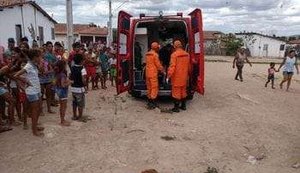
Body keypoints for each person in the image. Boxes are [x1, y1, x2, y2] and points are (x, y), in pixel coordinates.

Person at [14, 49, 44, 136]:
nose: (41, 58)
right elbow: (16, 75)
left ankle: (35, 126)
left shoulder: (33, 65)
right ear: (35, 57)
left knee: (38, 109)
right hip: (32, 91)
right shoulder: (28, 66)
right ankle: (34, 131)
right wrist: (26, 81)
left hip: (36, 90)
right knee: (35, 111)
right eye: (40, 56)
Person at [167, 40, 190, 112]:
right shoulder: (187, 54)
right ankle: (183, 106)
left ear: (174, 46)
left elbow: (172, 67)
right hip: (184, 77)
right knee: (183, 91)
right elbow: (189, 66)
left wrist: (168, 76)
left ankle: (176, 108)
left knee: (176, 93)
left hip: (176, 77)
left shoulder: (174, 55)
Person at [145, 42, 164, 109]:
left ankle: (149, 101)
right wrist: (162, 70)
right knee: (154, 87)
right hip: (153, 73)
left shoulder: (147, 54)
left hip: (147, 73)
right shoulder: (155, 55)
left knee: (149, 87)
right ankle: (153, 102)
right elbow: (158, 65)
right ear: (156, 48)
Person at [70, 54, 87, 121]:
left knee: (74, 103)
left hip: (73, 88)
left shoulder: (72, 67)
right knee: (80, 104)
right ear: (81, 61)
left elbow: (70, 76)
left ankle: (74, 115)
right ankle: (80, 116)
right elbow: (83, 79)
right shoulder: (82, 69)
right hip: (80, 89)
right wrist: (85, 86)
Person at [55, 60, 71, 126]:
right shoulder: (63, 75)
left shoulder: (57, 74)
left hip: (58, 91)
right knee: (63, 107)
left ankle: (62, 119)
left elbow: (54, 82)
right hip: (63, 92)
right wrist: (69, 82)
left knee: (61, 106)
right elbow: (63, 85)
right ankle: (62, 120)